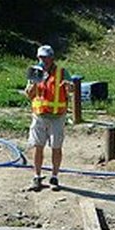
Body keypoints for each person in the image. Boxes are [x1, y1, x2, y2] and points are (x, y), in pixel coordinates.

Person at [23, 44, 73, 191]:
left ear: (52, 58)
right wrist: (31, 88)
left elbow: (71, 89)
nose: (43, 60)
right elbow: (29, 95)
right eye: (41, 57)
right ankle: (37, 177)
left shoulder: (62, 72)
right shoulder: (35, 72)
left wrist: (70, 87)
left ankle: (54, 177)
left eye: (46, 57)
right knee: (38, 147)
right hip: (39, 115)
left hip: (57, 116)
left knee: (56, 147)